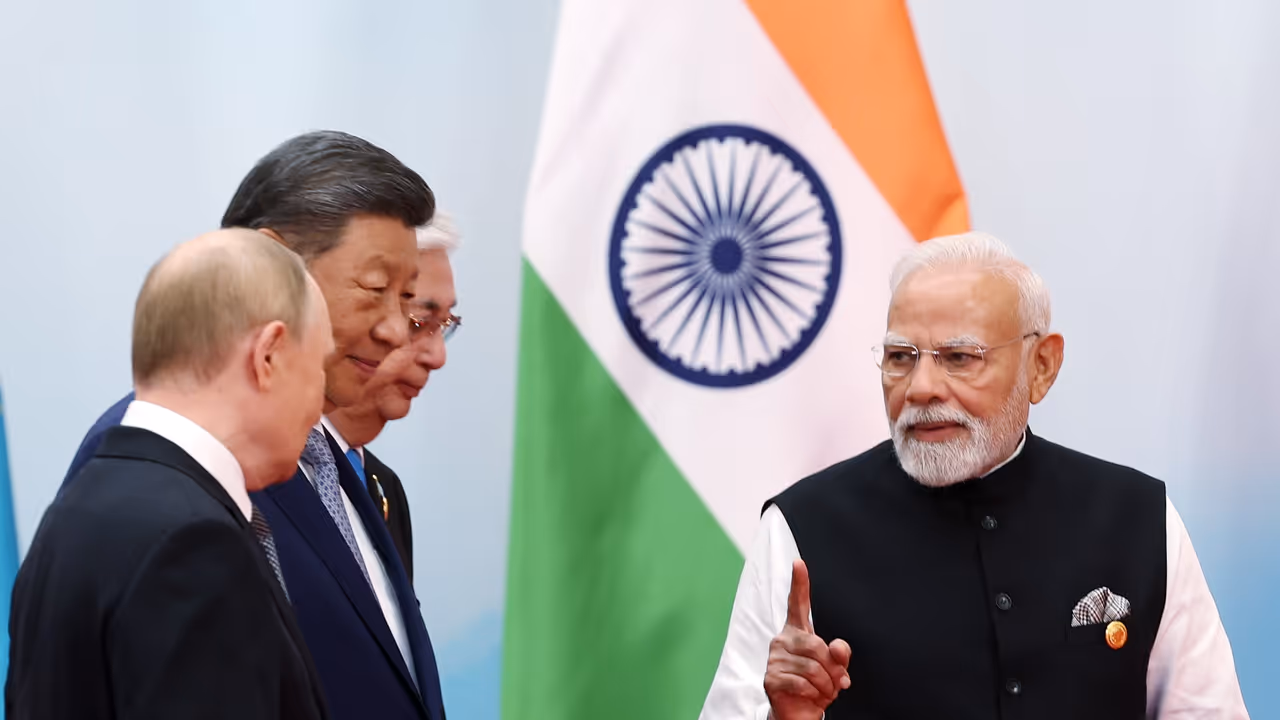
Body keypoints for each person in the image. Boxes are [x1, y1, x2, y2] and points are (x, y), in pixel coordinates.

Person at [699, 232, 1249, 720]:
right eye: (900, 357)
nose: (920, 388)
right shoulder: (802, 530)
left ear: (1041, 367)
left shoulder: (1138, 519)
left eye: (959, 357)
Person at [59, 131, 447, 720]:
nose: (398, 330)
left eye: (407, 299)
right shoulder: (160, 464)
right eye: (375, 291)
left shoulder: (341, 466)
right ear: (273, 264)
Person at [7, 230, 332, 719]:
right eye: (320, 364)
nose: (323, 401)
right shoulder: (195, 542)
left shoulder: (78, 508)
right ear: (268, 356)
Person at [327, 213, 460, 580]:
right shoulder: (262, 480)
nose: (438, 357)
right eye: (419, 322)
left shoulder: (384, 489)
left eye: (446, 325)